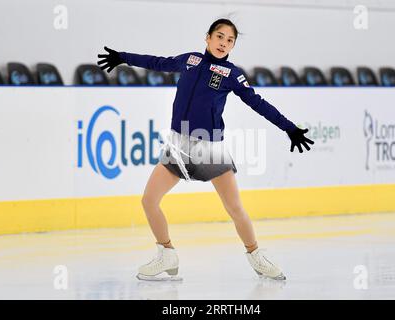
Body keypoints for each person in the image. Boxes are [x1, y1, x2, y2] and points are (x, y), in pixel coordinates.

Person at [97, 18, 314, 281]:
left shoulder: (232, 74)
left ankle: (257, 257)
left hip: (209, 147)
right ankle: (167, 254)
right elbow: (158, 62)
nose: (224, 43)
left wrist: (289, 128)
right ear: (208, 38)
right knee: (149, 200)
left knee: (234, 208)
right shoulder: (190, 60)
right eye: (220, 36)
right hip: (178, 145)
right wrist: (123, 57)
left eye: (230, 40)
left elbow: (258, 103)